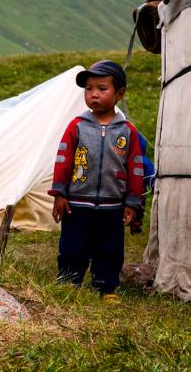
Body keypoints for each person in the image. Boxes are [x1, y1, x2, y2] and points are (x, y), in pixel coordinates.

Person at [48, 60, 144, 303]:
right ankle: (69, 283)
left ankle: (106, 288)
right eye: (89, 89)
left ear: (120, 93)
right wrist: (60, 193)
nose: (94, 94)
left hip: (112, 206)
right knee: (72, 246)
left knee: (109, 250)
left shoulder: (127, 131)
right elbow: (63, 159)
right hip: (77, 203)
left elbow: (135, 167)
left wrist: (133, 202)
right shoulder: (77, 126)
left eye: (102, 88)